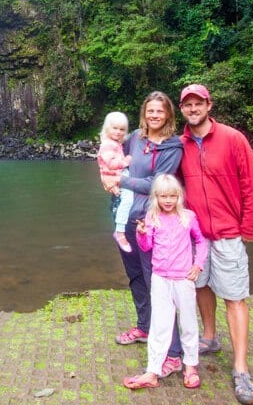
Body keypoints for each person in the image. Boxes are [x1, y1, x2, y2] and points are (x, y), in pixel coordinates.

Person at [178, 84, 253, 405]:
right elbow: (167, 185)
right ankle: (210, 338)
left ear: (209, 105)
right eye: (187, 104)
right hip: (196, 235)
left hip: (229, 232)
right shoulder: (180, 145)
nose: (193, 108)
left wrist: (250, 227)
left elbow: (251, 184)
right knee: (200, 285)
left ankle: (241, 369)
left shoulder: (233, 139)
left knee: (235, 296)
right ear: (182, 109)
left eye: (197, 103)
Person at [101, 91, 185, 377]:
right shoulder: (135, 137)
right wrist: (106, 177)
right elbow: (111, 154)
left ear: (169, 115)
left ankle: (173, 352)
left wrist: (121, 180)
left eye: (159, 112)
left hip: (152, 222)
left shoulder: (173, 147)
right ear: (144, 113)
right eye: (150, 111)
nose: (154, 116)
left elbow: (157, 184)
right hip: (125, 219)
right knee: (136, 276)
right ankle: (145, 327)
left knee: (159, 284)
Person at [123, 174, 207, 390]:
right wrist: (141, 234)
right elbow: (146, 247)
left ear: (179, 196)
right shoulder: (152, 217)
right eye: (163, 196)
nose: (168, 200)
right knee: (160, 324)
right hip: (160, 278)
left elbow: (200, 241)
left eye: (172, 196)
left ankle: (190, 366)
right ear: (156, 197)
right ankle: (152, 370)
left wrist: (198, 264)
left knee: (188, 323)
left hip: (183, 279)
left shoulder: (188, 217)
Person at [96, 111, 133, 253]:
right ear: (107, 128)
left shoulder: (115, 143)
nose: (118, 132)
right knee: (128, 200)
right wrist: (126, 161)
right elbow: (110, 163)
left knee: (127, 199)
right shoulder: (107, 144)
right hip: (116, 176)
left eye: (122, 129)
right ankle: (120, 231)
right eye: (115, 128)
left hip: (118, 176)